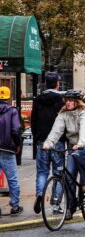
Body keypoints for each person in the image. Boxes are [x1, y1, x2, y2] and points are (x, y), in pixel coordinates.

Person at [43, 90, 85, 220]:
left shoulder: (84, 112)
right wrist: (48, 143)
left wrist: (80, 144)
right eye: (66, 100)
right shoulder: (63, 114)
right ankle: (70, 208)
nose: (68, 103)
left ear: (76, 102)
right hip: (73, 145)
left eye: (70, 100)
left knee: (78, 154)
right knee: (69, 178)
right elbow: (56, 131)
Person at [31, 72, 65, 214]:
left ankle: (40, 193)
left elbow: (34, 121)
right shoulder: (61, 100)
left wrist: (37, 137)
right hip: (57, 141)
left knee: (42, 171)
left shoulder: (38, 100)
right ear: (57, 83)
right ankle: (56, 204)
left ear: (45, 83)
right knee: (59, 172)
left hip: (42, 141)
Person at [0, 86, 23, 216]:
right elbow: (15, 130)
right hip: (8, 149)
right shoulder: (12, 111)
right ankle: (15, 206)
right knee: (12, 179)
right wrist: (17, 144)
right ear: (8, 97)